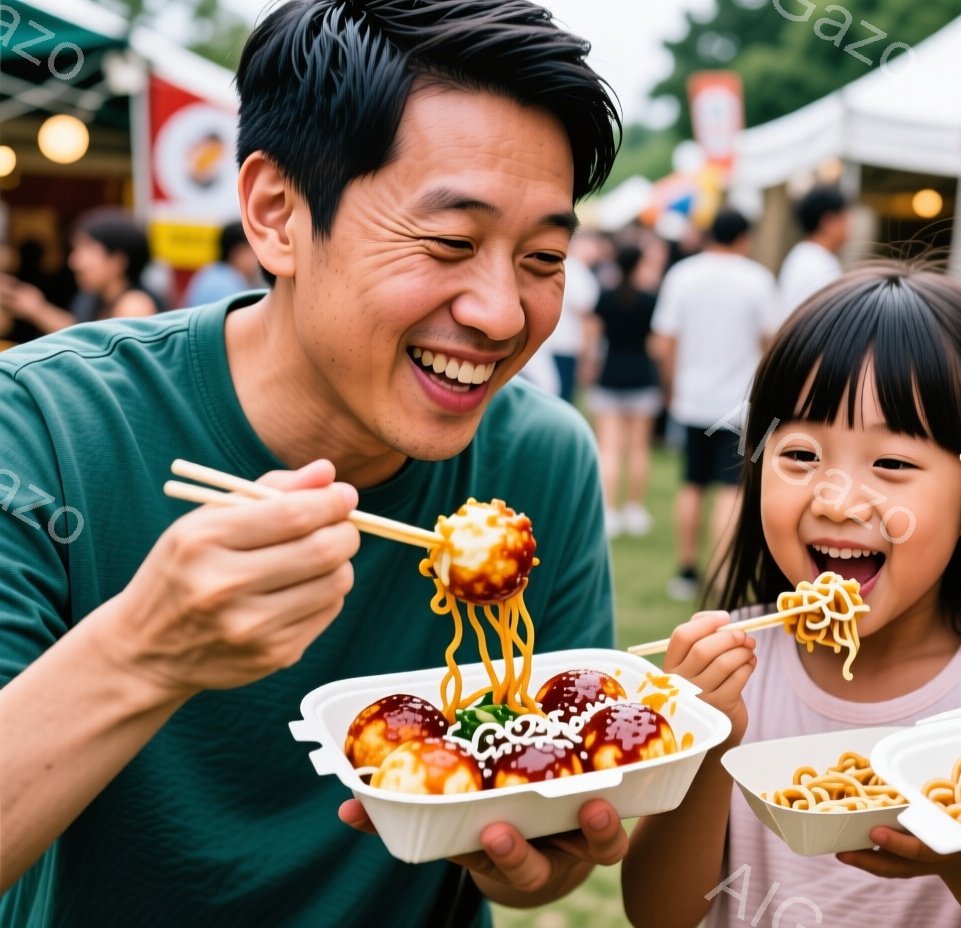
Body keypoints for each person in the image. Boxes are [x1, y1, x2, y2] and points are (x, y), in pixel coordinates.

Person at [0, 1, 629, 924]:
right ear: (277, 214)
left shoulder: (541, 458)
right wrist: (144, 650)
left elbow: (552, 835)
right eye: (451, 242)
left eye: (543, 256)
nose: (503, 314)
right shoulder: (45, 426)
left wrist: (530, 857)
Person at [621, 263, 961, 928]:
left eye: (891, 464)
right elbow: (658, 915)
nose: (836, 501)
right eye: (802, 456)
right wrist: (710, 737)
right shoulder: (732, 669)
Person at [651, 208, 780, 601]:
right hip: (740, 404)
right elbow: (771, 341)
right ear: (744, 237)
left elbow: (664, 341)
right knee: (731, 489)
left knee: (691, 484)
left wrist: (671, 388)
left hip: (692, 398)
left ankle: (686, 570)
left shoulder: (682, 274)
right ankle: (723, 577)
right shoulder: (756, 279)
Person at [585, 243, 660, 538]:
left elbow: (591, 338)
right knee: (639, 449)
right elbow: (656, 343)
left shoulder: (605, 296)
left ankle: (610, 511)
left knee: (610, 449)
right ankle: (634, 509)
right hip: (642, 376)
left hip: (610, 375)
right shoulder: (650, 299)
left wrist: (588, 365)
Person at [0, 208, 163, 333]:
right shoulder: (93, 299)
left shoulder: (135, 305)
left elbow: (96, 352)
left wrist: (37, 309)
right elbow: (79, 332)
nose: (74, 262)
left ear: (117, 261)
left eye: (86, 249)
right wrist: (35, 307)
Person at [523, 230, 600, 400]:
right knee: (561, 399)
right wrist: (588, 357)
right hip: (566, 347)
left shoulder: (561, 267)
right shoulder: (578, 272)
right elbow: (587, 320)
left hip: (550, 344)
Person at [777, 184, 848, 316]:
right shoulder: (819, 265)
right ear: (828, 222)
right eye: (844, 218)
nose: (849, 225)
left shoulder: (804, 255)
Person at [183, 222, 265, 307]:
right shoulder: (227, 283)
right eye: (252, 250)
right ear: (238, 252)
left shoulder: (210, 273)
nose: (258, 256)